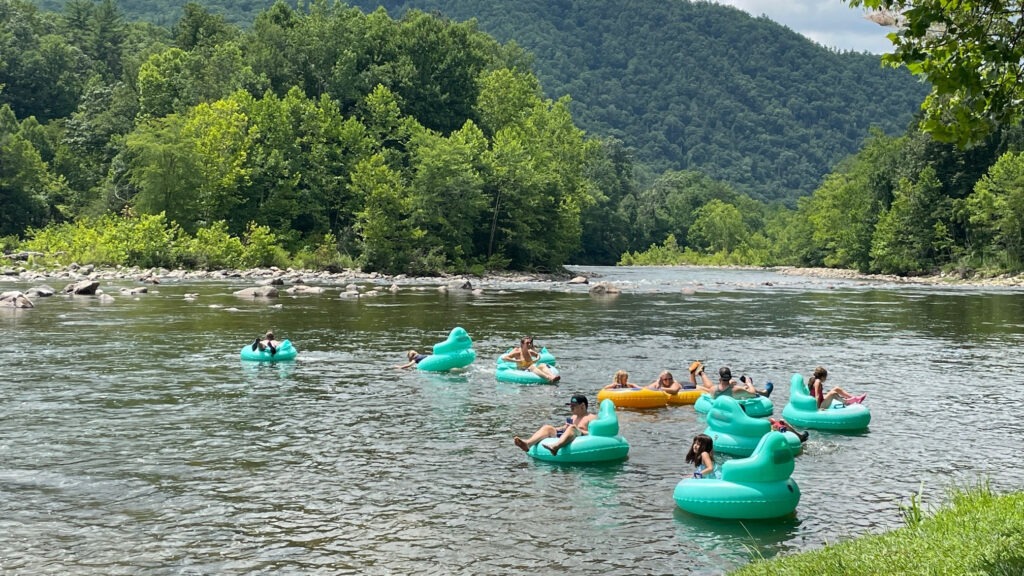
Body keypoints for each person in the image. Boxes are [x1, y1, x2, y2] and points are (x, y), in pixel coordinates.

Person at [513, 394, 597, 456]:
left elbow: (594, 434)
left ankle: (555, 447)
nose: (571, 408)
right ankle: (527, 443)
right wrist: (559, 429)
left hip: (580, 438)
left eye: (574, 406)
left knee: (572, 427)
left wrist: (577, 429)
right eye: (570, 406)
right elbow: (564, 428)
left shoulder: (591, 418)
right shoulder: (574, 417)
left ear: (582, 406)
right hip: (568, 435)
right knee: (547, 427)